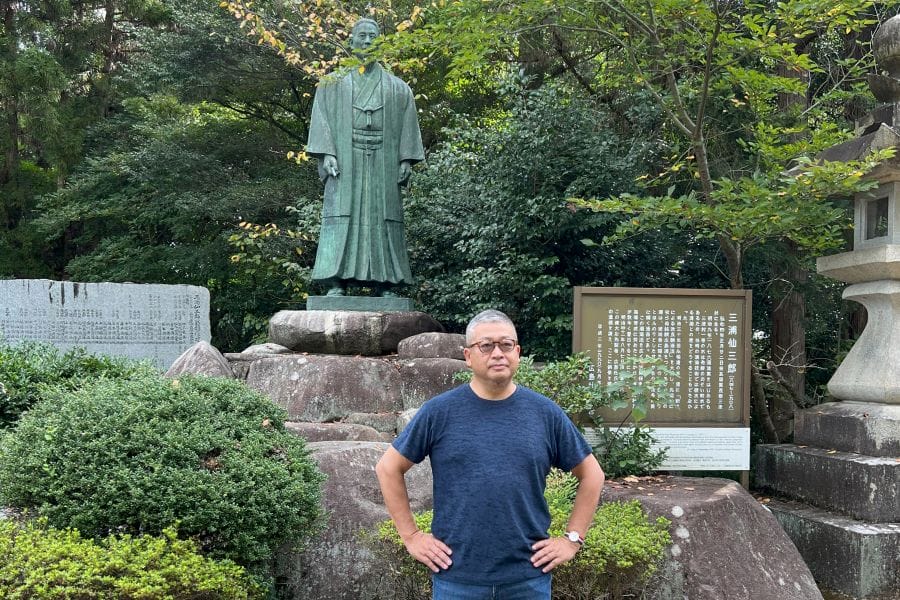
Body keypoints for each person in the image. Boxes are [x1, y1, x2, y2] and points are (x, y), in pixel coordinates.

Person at [376, 309, 605, 599]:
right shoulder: (440, 412)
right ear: (469, 356)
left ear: (518, 352)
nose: (498, 353)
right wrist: (411, 536)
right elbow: (388, 468)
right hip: (456, 578)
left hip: (528, 578)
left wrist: (572, 540)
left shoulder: (545, 413)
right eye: (486, 345)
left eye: (506, 345)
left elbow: (592, 474)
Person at [306, 18, 425, 297]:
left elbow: (408, 125)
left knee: (384, 218)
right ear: (351, 41)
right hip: (345, 162)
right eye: (362, 35)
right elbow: (321, 120)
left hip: (384, 161)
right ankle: (336, 281)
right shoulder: (331, 84)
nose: (368, 41)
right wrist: (327, 154)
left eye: (373, 36)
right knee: (341, 216)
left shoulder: (399, 88)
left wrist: (405, 159)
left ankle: (387, 283)